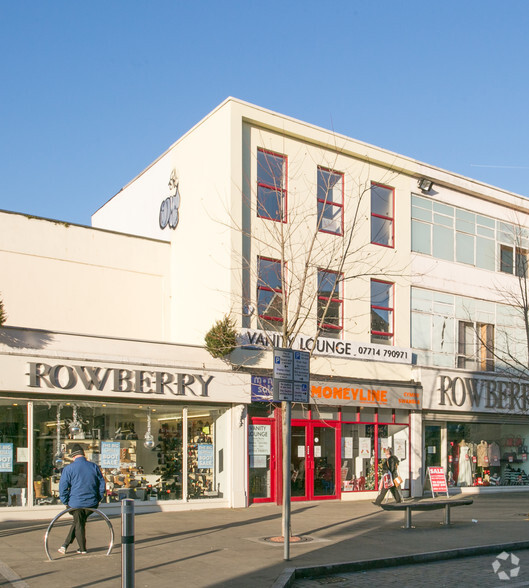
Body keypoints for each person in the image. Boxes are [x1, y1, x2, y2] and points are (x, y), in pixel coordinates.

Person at [57, 444, 106, 555]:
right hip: (91, 503)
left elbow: (63, 487)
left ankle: (82, 548)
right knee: (78, 521)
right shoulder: (94, 467)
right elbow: (102, 484)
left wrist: (66, 501)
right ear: (83, 455)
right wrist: (98, 498)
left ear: (74, 456)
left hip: (75, 503)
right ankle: (65, 545)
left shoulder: (69, 469)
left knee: (78, 522)